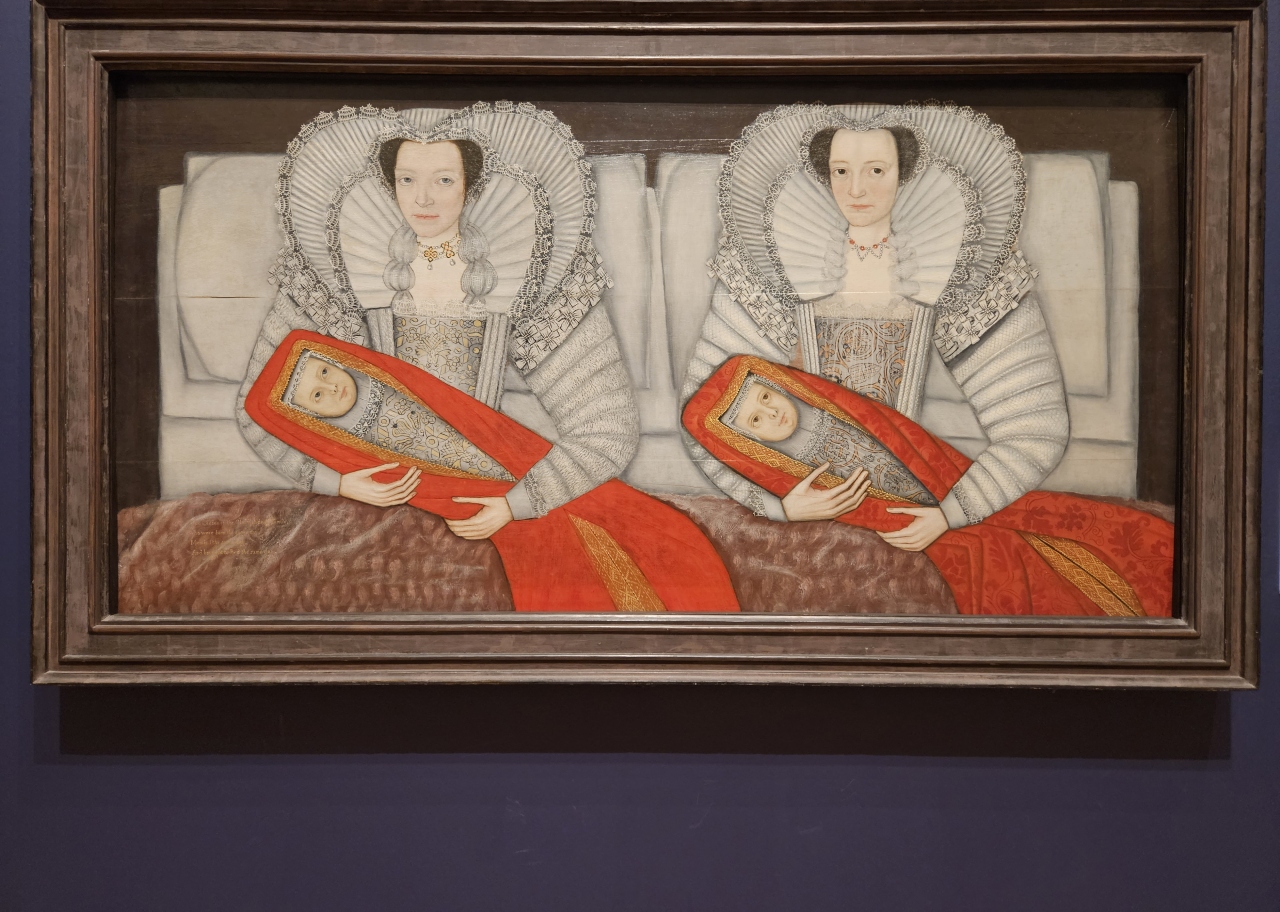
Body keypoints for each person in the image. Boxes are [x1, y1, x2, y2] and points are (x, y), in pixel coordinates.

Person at [237, 102, 639, 543]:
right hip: (376, 506)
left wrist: (517, 504)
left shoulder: (528, 277)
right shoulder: (339, 273)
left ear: (470, 183)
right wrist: (338, 483)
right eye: (407, 180)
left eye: (444, 180)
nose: (422, 199)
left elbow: (609, 428)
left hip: (491, 501)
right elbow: (256, 408)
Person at [680, 102, 1070, 556]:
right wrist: (779, 505)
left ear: (904, 171)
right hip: (812, 520)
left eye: (877, 171)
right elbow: (702, 417)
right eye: (841, 171)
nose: (856, 190)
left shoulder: (956, 263)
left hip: (929, 501)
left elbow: (1037, 427)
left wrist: (951, 513)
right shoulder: (780, 264)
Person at [245, 329, 740, 612]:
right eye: (316, 395)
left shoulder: (389, 375)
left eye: (325, 371)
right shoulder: (342, 449)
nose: (332, 387)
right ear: (307, 419)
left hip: (524, 471)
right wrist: (338, 483)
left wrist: (514, 503)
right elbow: (260, 429)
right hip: (487, 509)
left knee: (659, 541)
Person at [684, 356, 1172, 617]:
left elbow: (908, 444)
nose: (771, 413)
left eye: (766, 397)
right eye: (755, 420)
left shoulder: (832, 403)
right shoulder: (778, 474)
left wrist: (948, 509)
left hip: (947, 489)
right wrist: (788, 510)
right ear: (745, 442)